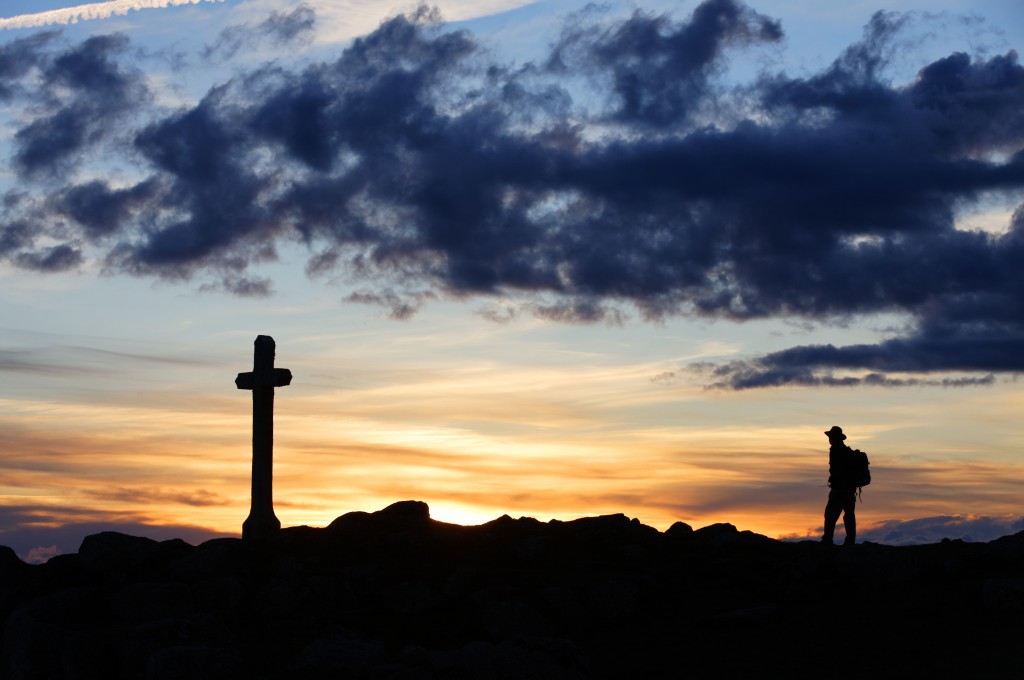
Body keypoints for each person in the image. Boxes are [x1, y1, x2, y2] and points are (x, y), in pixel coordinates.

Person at [822, 425, 857, 546]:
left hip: (839, 489)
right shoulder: (846, 451)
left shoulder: (837, 450)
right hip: (849, 490)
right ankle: (850, 541)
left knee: (830, 514)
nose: (829, 439)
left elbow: (837, 471)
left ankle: (827, 540)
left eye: (831, 437)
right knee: (849, 515)